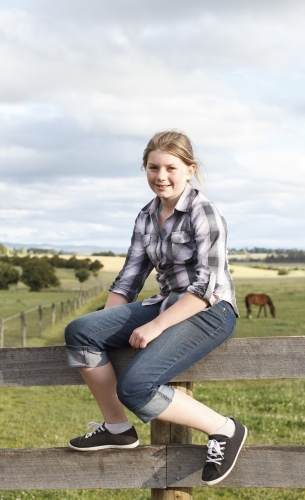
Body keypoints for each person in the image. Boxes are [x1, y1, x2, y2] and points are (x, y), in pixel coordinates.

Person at [64, 130, 247, 486]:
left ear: (190, 169)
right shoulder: (146, 216)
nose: (160, 176)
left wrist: (157, 326)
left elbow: (206, 288)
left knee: (135, 386)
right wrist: (103, 325)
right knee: (80, 331)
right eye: (153, 167)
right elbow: (128, 280)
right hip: (167, 304)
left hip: (210, 312)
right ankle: (117, 428)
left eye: (170, 167)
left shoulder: (203, 212)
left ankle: (225, 430)